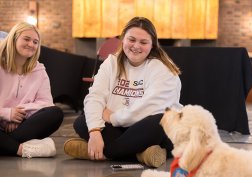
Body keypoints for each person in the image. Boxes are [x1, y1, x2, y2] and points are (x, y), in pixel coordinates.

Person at [64, 17, 182, 167]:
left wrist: (112, 117)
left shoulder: (163, 69)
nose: (136, 46)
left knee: (160, 121)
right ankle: (143, 154)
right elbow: (95, 96)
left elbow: (150, 108)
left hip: (146, 127)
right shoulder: (111, 62)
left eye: (143, 42)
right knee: (82, 121)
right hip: (122, 129)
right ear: (123, 39)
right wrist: (94, 132)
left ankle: (97, 151)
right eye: (131, 40)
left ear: (152, 45)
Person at [0, 22, 64, 158]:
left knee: (55, 113)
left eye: (35, 42)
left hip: (20, 126)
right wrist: (7, 114)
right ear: (14, 38)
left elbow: (46, 103)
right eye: (26, 39)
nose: (31, 44)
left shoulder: (39, 70)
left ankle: (6, 145)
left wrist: (18, 114)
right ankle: (20, 149)